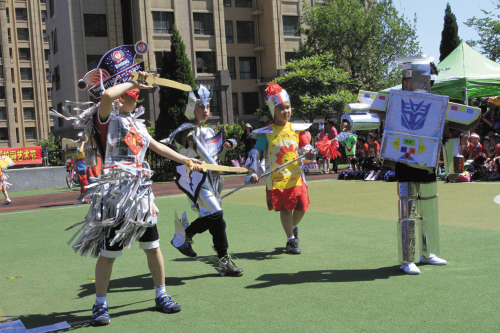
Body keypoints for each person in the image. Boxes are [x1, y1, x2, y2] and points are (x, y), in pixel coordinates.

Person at [64, 72, 202, 326]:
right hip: (116, 198)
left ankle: (161, 294)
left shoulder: (136, 123)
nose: (136, 99)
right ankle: (100, 304)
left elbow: (156, 146)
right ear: (122, 95)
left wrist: (185, 159)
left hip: (140, 196)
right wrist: (134, 81)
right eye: (132, 95)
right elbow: (106, 95)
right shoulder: (104, 118)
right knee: (109, 253)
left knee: (153, 247)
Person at [369, 56, 479, 275]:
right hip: (406, 163)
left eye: (412, 79)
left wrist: (454, 169)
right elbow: (376, 116)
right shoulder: (395, 101)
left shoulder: (438, 104)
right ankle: (407, 258)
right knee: (407, 212)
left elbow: (448, 135)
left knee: (430, 210)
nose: (408, 83)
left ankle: (428, 253)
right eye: (406, 79)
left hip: (428, 165)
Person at [165, 86, 243, 277]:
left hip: (211, 181)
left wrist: (229, 143)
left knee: (218, 222)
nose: (206, 110)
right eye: (201, 106)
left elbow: (217, 150)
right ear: (192, 107)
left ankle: (224, 259)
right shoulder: (185, 130)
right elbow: (195, 145)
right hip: (196, 180)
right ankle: (183, 236)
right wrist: (211, 165)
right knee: (216, 214)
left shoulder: (208, 130)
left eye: (207, 106)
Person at [246, 83, 315, 254]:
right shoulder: (267, 132)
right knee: (285, 209)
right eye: (281, 108)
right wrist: (254, 171)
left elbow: (307, 147)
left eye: (288, 107)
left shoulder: (297, 129)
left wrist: (310, 153)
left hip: (296, 176)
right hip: (278, 180)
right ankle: (291, 240)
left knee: (303, 206)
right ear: (273, 110)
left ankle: (292, 227)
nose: (286, 111)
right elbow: (255, 152)